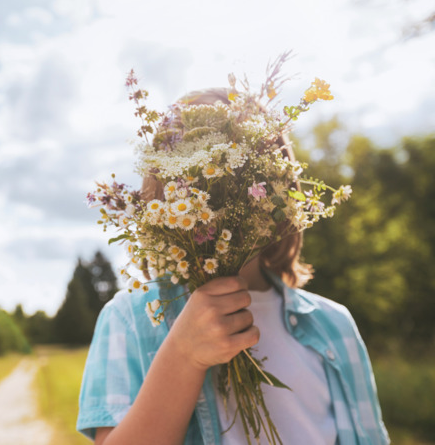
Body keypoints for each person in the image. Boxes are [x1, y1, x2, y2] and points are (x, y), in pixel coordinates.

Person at [76, 90, 390, 445]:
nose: (223, 192)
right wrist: (183, 355)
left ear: (283, 189)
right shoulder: (131, 318)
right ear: (163, 194)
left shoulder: (334, 326)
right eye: (196, 175)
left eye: (245, 170)